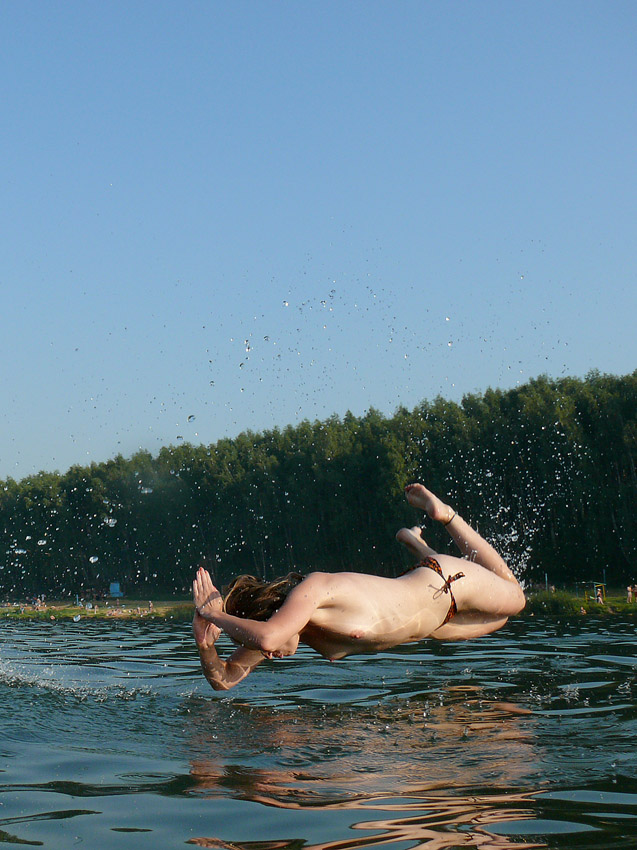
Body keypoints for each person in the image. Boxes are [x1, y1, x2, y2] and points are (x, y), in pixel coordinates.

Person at [192, 483, 526, 691]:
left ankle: (445, 516)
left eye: (258, 639)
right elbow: (223, 680)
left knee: (516, 597)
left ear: (271, 615)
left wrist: (212, 614)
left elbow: (266, 637)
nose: (268, 654)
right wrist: (205, 646)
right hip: (436, 623)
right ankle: (414, 543)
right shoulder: (284, 630)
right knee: (501, 621)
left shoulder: (312, 591)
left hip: (446, 583)